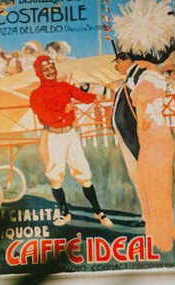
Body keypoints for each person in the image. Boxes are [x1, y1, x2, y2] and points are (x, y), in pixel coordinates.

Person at [110, 0, 175, 252]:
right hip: (151, 141)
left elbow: (145, 116)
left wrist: (141, 106)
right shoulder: (145, 79)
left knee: (156, 190)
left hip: (153, 142)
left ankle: (162, 240)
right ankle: (161, 236)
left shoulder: (147, 80)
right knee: (155, 190)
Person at [28, 55, 115, 228]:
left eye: (51, 68)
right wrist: (64, 111)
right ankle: (65, 213)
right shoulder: (36, 94)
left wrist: (96, 89)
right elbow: (45, 116)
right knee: (55, 176)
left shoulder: (65, 86)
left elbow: (85, 98)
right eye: (45, 70)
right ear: (39, 73)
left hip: (70, 134)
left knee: (83, 173)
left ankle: (99, 212)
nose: (50, 72)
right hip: (52, 137)